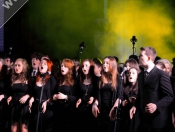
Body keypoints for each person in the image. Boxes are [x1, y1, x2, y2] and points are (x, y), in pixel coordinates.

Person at [129, 47, 174, 132]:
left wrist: (157, 105)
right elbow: (140, 94)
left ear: (149, 58)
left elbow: (170, 96)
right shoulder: (141, 75)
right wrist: (135, 105)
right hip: (143, 120)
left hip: (157, 121)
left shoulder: (161, 75)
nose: (138, 57)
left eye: (141, 55)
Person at [92, 56, 122, 132]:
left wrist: (114, 108)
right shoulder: (100, 79)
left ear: (112, 65)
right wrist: (95, 105)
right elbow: (98, 95)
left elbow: (120, 96)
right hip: (102, 110)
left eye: (107, 63)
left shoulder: (118, 78)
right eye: (104, 63)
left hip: (113, 109)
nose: (104, 65)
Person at [29, 57, 57, 132]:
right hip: (36, 107)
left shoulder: (52, 79)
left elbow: (54, 95)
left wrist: (47, 101)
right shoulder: (35, 78)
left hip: (47, 109)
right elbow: (34, 93)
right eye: (41, 63)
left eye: (45, 64)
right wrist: (32, 98)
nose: (42, 64)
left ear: (48, 67)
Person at [52, 58, 77, 132]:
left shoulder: (74, 81)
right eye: (62, 66)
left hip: (68, 111)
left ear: (69, 69)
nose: (62, 67)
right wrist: (54, 96)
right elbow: (55, 92)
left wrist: (66, 97)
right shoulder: (60, 80)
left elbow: (76, 97)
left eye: (65, 66)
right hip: (58, 110)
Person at [7, 58, 31, 132]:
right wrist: (10, 97)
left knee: (23, 128)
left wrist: (27, 96)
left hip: (23, 106)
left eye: (19, 65)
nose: (16, 67)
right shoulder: (13, 78)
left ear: (23, 67)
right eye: (15, 65)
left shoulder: (28, 78)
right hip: (14, 105)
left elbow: (33, 92)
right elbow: (12, 92)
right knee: (14, 129)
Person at [76, 59, 96, 132]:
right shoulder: (80, 80)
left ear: (90, 67)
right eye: (83, 66)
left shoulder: (95, 80)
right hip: (81, 108)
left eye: (86, 66)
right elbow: (77, 93)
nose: (84, 67)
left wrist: (93, 98)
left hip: (90, 109)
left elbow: (97, 94)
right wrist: (79, 99)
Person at [121, 67, 140, 132]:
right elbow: (122, 100)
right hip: (126, 116)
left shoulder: (140, 88)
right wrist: (123, 102)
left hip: (136, 116)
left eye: (133, 73)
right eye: (129, 73)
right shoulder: (125, 88)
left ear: (137, 76)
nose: (130, 75)